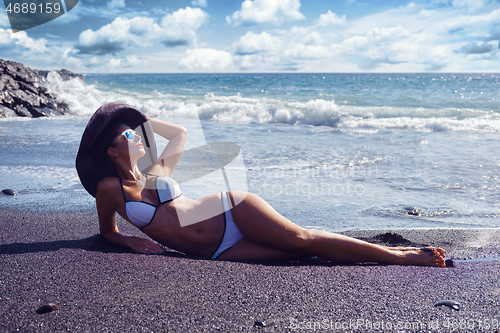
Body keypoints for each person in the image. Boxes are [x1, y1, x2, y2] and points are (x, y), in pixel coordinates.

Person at [76, 103, 446, 267]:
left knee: (302, 240)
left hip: (230, 210)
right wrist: (129, 240)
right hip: (214, 252)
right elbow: (107, 231)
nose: (138, 135)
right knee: (304, 254)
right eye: (129, 133)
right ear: (111, 149)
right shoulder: (111, 188)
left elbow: (181, 133)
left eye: (138, 131)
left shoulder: (157, 170)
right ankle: (385, 252)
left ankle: (403, 257)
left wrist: (141, 117)